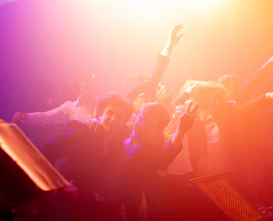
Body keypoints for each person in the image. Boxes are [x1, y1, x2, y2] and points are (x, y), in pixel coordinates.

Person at [40, 91, 134, 220]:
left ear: (124, 121)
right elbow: (46, 152)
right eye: (110, 113)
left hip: (96, 212)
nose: (114, 119)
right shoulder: (81, 132)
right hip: (68, 208)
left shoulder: (119, 149)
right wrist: (60, 182)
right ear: (99, 114)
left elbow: (118, 186)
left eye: (119, 116)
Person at [123, 101, 198, 221]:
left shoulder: (153, 150)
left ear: (158, 132)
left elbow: (161, 158)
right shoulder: (122, 135)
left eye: (150, 125)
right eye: (141, 119)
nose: (142, 125)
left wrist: (181, 131)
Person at [12, 73, 96, 127]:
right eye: (87, 88)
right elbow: (47, 117)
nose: (91, 90)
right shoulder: (70, 107)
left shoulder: (104, 103)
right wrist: (27, 116)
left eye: (92, 86)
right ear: (77, 91)